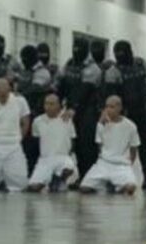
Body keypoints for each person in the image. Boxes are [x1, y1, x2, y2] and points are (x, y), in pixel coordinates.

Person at [103, 40, 146, 189]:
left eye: (122, 53)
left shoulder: (141, 64)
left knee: (143, 146)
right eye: (117, 53)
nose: (120, 56)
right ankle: (115, 178)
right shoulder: (113, 71)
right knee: (118, 147)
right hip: (124, 114)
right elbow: (111, 95)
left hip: (141, 111)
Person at [57, 37, 102, 185]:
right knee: (74, 144)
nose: (76, 51)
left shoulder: (92, 68)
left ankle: (89, 178)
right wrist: (57, 104)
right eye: (74, 47)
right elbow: (61, 85)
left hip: (87, 110)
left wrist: (73, 107)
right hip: (71, 109)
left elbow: (85, 90)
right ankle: (81, 176)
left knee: (87, 145)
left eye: (79, 48)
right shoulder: (69, 64)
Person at [79, 96, 139, 196]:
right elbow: (99, 146)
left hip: (121, 165)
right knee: (84, 188)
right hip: (104, 163)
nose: (108, 110)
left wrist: (128, 163)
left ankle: (117, 184)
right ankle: (106, 183)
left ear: (119, 108)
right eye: (106, 107)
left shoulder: (130, 126)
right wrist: (101, 124)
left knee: (131, 188)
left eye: (112, 107)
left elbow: (134, 148)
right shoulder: (101, 124)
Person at [26, 94, 77, 193]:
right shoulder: (37, 121)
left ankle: (59, 180)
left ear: (58, 105)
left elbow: (72, 140)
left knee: (68, 169)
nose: (48, 107)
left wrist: (70, 156)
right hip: (45, 159)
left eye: (52, 104)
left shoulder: (66, 119)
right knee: (33, 188)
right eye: (46, 104)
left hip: (63, 157)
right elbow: (36, 140)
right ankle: (48, 180)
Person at [15, 44, 53, 175]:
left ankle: (34, 174)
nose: (23, 61)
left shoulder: (42, 72)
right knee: (23, 145)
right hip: (23, 113)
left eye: (25, 58)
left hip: (37, 114)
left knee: (34, 146)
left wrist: (19, 94)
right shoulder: (24, 70)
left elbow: (34, 89)